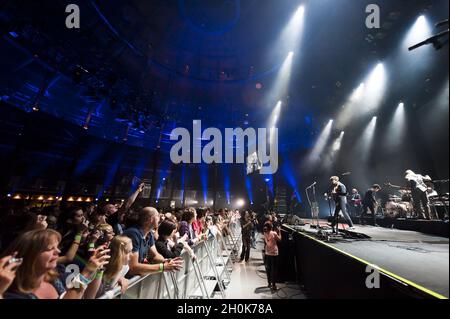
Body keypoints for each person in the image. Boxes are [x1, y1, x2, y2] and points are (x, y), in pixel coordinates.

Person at [1, 229, 109, 299]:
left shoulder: (57, 273)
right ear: (30, 255)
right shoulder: (12, 294)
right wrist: (85, 273)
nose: (58, 251)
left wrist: (97, 270)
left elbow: (85, 295)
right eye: (50, 248)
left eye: (57, 247)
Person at [123, 207, 183, 277]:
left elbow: (155, 256)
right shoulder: (133, 234)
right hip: (123, 279)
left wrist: (166, 261)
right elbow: (133, 267)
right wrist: (162, 267)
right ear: (151, 219)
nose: (160, 218)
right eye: (158, 216)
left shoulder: (149, 234)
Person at [263, 222, 281, 292]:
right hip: (274, 253)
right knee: (274, 270)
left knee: (268, 269)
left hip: (267, 253)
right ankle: (274, 285)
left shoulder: (265, 233)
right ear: (271, 227)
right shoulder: (274, 233)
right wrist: (279, 231)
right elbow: (279, 239)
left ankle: (269, 283)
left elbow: (270, 235)